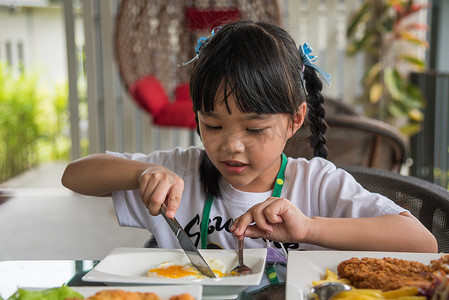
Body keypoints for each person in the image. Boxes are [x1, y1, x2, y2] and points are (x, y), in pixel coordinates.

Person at [62, 20, 437, 254]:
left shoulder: (317, 184)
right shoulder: (180, 172)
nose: (231, 145)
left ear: (295, 120)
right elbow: (73, 176)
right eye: (212, 125)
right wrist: (139, 173)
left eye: (254, 129)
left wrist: (309, 228)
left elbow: (422, 242)